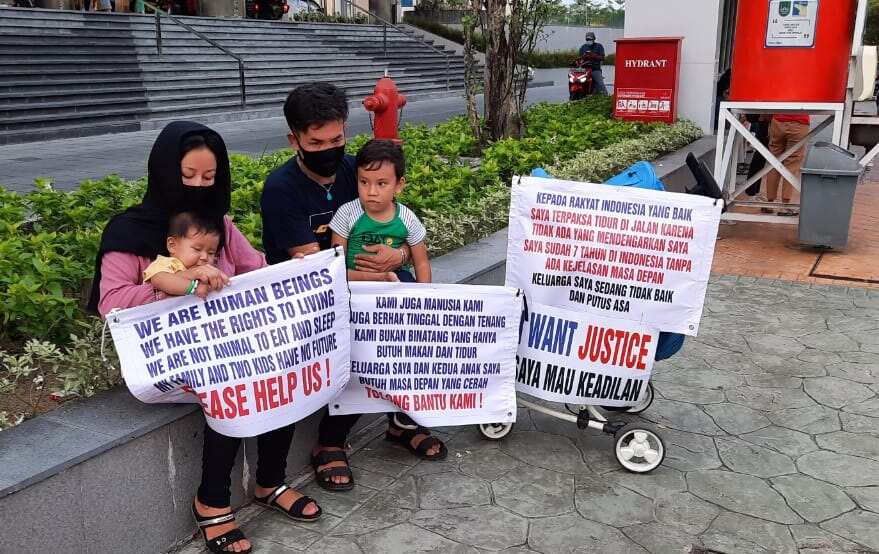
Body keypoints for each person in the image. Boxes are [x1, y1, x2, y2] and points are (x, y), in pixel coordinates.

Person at [89, 121, 320, 554]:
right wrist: (182, 284)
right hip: (168, 354)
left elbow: (256, 272)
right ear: (162, 171)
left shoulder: (219, 227)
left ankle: (270, 479)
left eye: (209, 177)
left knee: (286, 365)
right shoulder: (128, 231)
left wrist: (303, 264)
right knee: (233, 383)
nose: (197, 186)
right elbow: (112, 302)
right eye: (187, 175)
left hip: (225, 342)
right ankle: (211, 499)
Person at [260, 82, 447, 492]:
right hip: (310, 296)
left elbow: (400, 229)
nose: (330, 148)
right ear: (295, 140)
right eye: (317, 141)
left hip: (367, 284)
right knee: (361, 336)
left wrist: (397, 260)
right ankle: (329, 442)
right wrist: (380, 276)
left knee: (420, 320)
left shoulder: (355, 171)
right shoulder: (281, 189)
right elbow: (316, 269)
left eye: (338, 138)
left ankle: (401, 419)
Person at [330, 140, 431, 284]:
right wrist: (379, 278)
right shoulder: (346, 214)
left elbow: (421, 263)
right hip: (354, 286)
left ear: (398, 185)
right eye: (364, 182)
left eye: (381, 184)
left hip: (396, 282)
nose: (371, 192)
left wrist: (424, 298)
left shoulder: (407, 219)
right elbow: (336, 270)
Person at [142, 211, 222, 297]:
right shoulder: (166, 263)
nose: (205, 257)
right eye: (197, 249)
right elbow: (159, 280)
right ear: (172, 245)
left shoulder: (207, 270)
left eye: (211, 253)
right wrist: (194, 288)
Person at [762, 113, 810, 216]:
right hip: (800, 122)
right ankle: (784, 206)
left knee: (774, 162)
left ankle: (770, 202)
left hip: (778, 120)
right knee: (792, 163)